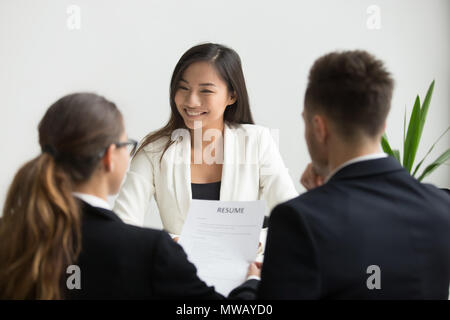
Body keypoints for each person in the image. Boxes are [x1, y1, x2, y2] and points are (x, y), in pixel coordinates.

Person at [0, 93, 260, 299]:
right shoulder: (149, 251)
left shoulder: (10, 236)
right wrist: (251, 285)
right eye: (127, 145)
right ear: (109, 157)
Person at [258, 50, 450, 299]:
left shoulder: (297, 221)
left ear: (319, 127)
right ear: (382, 124)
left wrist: (251, 283)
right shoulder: (442, 206)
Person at [113, 43, 298, 239]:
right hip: (178, 266)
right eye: (183, 88)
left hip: (244, 267)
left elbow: (292, 219)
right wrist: (170, 243)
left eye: (206, 91)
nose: (191, 101)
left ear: (232, 96)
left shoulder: (257, 142)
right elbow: (123, 225)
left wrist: (255, 241)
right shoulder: (153, 152)